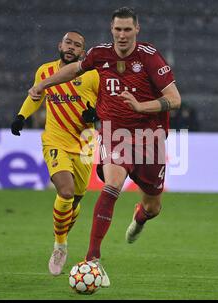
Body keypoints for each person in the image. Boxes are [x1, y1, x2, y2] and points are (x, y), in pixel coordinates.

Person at [29, 7, 181, 284]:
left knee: (153, 206)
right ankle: (92, 259)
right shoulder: (100, 54)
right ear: (111, 30)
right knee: (112, 186)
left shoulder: (150, 58)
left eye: (127, 29)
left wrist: (140, 106)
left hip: (150, 137)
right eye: (117, 30)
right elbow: (74, 69)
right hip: (115, 133)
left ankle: (141, 217)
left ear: (137, 29)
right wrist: (44, 84)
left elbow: (174, 98)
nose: (122, 35)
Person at [10, 31, 100, 278]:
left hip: (84, 143)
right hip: (55, 140)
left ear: (84, 52)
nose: (71, 47)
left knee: (76, 201)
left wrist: (95, 116)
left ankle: (61, 234)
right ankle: (60, 246)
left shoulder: (92, 75)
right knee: (66, 191)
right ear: (60, 45)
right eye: (68, 43)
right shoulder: (44, 72)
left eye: (77, 45)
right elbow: (35, 96)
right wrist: (21, 116)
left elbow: (106, 104)